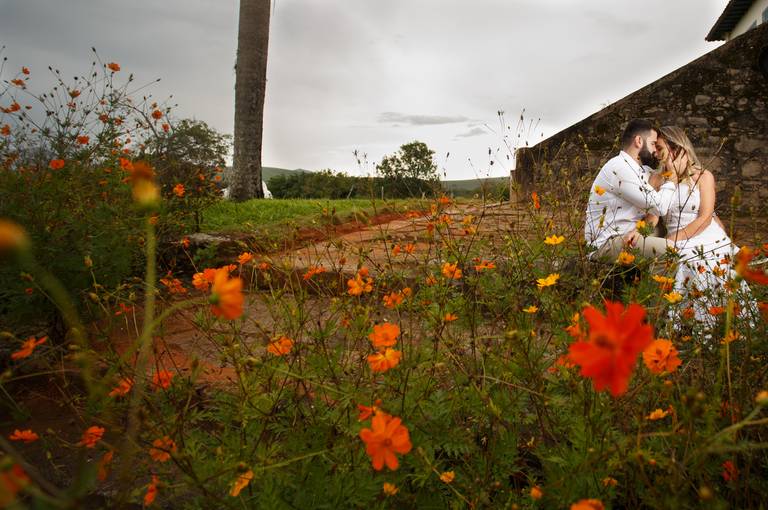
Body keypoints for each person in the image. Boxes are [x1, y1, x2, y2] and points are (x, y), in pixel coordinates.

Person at [650, 126, 755, 326]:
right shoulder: (656, 179)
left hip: (704, 233)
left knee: (703, 262)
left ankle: (717, 321)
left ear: (676, 148)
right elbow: (653, 215)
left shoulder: (703, 177)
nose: (655, 153)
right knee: (683, 260)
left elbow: (706, 217)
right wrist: (642, 234)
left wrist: (673, 239)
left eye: (660, 148)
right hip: (676, 237)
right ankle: (683, 324)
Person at [584, 119, 678, 264]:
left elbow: (655, 178)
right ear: (639, 141)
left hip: (627, 237)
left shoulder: (638, 170)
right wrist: (672, 180)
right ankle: (655, 280)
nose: (655, 151)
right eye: (653, 144)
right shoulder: (619, 168)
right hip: (605, 243)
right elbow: (660, 207)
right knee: (669, 252)